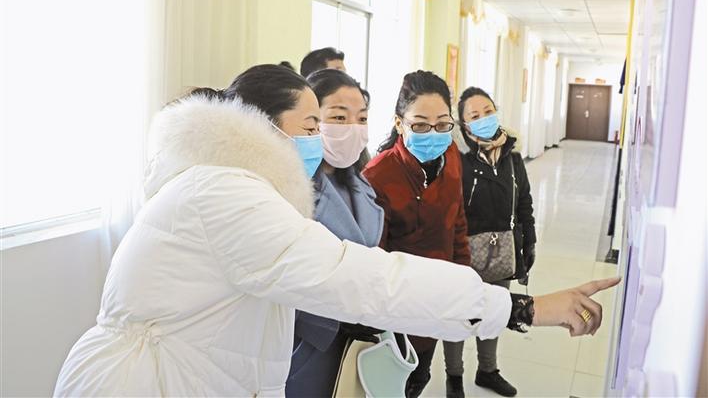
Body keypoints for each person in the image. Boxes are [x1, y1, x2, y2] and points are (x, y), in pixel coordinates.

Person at [54, 64, 618, 397]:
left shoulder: (227, 185)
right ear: (260, 128)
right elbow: (359, 276)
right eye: (311, 126)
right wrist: (521, 308)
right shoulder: (223, 192)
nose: (320, 140)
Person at [361, 70, 474, 398]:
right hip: (396, 312)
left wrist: (464, 279)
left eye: (443, 124)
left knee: (421, 375)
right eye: (421, 125)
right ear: (399, 124)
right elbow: (374, 263)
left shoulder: (450, 156)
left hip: (438, 299)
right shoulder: (378, 175)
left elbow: (458, 222)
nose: (433, 134)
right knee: (395, 385)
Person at [285, 69, 384, 397]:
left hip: (354, 344)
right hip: (309, 341)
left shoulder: (361, 184)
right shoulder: (291, 188)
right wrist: (337, 319)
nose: (353, 128)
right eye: (339, 118)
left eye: (362, 118)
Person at [443, 87, 538, 397]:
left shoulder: (512, 157)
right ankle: (454, 376)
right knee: (459, 315)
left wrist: (529, 242)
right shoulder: (457, 158)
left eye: (488, 111)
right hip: (463, 251)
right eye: (474, 115)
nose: (483, 118)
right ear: (464, 124)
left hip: (503, 248)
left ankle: (487, 370)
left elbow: (523, 202)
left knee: (495, 312)